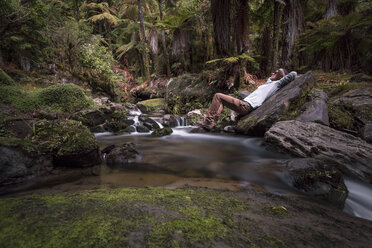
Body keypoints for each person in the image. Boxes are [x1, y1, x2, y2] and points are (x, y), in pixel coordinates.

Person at [197, 68, 297, 129]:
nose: (272, 73)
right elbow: (268, 80)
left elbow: (293, 74)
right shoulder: (270, 84)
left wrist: (281, 73)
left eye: (275, 73)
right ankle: (213, 122)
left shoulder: (277, 84)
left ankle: (209, 121)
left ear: (280, 76)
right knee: (221, 102)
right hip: (245, 104)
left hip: (246, 106)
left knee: (218, 96)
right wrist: (275, 75)